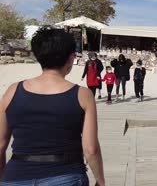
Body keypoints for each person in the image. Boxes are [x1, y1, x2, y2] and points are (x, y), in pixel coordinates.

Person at [0, 27, 105, 185]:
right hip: (66, 175)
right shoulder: (82, 95)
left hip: (16, 174)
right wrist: (100, 180)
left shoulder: (13, 91)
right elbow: (90, 149)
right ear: (70, 59)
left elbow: (1, 144)